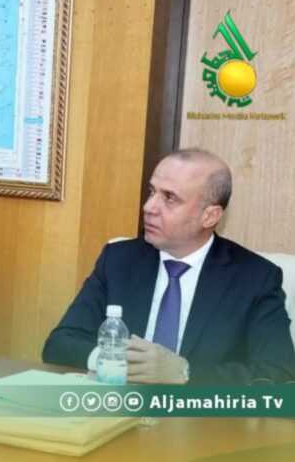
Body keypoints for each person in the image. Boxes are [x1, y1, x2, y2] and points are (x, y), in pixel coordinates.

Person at [42, 149, 295, 384]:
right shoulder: (119, 259)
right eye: (152, 192)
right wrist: (121, 363)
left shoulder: (255, 277)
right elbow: (59, 344)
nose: (149, 207)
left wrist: (184, 373)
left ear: (210, 216)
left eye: (170, 198)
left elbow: (278, 373)